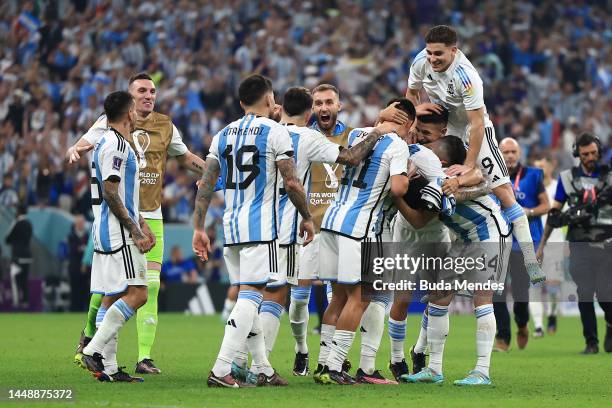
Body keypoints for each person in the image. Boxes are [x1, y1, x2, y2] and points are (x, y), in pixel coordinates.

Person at [68, 72, 206, 374]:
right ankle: (91, 342)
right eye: (142, 91)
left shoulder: (165, 125)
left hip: (149, 215)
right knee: (117, 289)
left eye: (153, 91)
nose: (149, 96)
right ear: (130, 100)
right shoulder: (111, 127)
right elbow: (86, 146)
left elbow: (185, 157)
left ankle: (141, 357)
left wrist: (209, 173)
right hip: (122, 219)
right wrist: (74, 148)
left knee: (149, 286)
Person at [256, 87, 396, 380]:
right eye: (318, 102)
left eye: (329, 102)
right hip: (306, 229)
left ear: (339, 105)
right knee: (297, 301)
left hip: (338, 229)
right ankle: (302, 347)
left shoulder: (355, 136)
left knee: (341, 295)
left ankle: (330, 361)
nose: (324, 107)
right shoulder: (298, 137)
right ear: (311, 109)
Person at [192, 74, 314, 388]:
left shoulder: (222, 134)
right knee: (251, 297)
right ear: (270, 100)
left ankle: (263, 367)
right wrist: (307, 216)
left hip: (230, 228)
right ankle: (221, 370)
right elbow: (291, 182)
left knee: (250, 298)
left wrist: (198, 228)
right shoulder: (276, 132)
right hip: (261, 229)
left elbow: (205, 185)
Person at [402, 25, 545, 285]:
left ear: (454, 51)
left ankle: (530, 260)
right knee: (439, 186)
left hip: (472, 129)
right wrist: (416, 116)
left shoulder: (467, 77)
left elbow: (477, 123)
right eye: (430, 53)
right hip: (445, 131)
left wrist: (469, 165)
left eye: (439, 55)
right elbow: (411, 94)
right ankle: (447, 273)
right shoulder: (421, 61)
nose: (433, 59)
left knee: (505, 194)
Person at [314, 100, 411, 385]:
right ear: (408, 123)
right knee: (360, 298)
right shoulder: (398, 146)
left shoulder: (359, 135)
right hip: (360, 228)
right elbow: (397, 188)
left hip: (331, 221)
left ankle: (322, 365)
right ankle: (334, 368)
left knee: (339, 297)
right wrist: (409, 172)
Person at [399, 135, 510, 386]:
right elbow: (419, 221)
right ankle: (434, 369)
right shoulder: (432, 180)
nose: (424, 153)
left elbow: (480, 176)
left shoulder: (450, 176)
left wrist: (457, 185)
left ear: (441, 160)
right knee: (438, 296)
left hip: (489, 234)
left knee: (482, 298)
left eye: (431, 150)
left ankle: (482, 370)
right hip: (463, 240)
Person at [78, 91, 155, 383]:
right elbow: (111, 192)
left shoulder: (110, 143)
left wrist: (143, 222)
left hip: (111, 229)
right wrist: (134, 229)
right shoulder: (116, 144)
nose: (138, 113)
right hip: (119, 233)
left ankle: (107, 368)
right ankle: (94, 349)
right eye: (134, 109)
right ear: (127, 113)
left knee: (112, 298)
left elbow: (123, 193)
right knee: (138, 293)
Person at [537, 133, 612, 354]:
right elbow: (554, 213)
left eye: (593, 153)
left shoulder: (610, 177)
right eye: (585, 153)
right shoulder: (567, 178)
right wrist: (542, 245)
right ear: (577, 153)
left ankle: (610, 323)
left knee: (606, 294)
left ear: (598, 151)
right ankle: (591, 343)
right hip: (580, 245)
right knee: (585, 292)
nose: (590, 157)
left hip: (608, 244)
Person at [493, 138, 550, 351]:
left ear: (519, 153)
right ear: (498, 153)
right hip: (499, 240)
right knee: (496, 290)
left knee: (520, 292)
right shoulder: (490, 174)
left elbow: (547, 204)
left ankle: (523, 323)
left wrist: (529, 212)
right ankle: (503, 336)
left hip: (524, 242)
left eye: (512, 151)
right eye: (505, 151)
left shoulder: (533, 175)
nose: (509, 155)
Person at [531, 156, 565, 335]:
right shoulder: (531, 189)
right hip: (534, 244)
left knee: (553, 286)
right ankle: (538, 326)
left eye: (542, 166)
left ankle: (552, 313)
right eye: (536, 167)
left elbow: (565, 217)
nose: (540, 170)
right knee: (534, 286)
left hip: (555, 243)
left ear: (551, 167)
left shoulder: (558, 188)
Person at [5, 204, 32, 309]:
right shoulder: (29, 224)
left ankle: (16, 304)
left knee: (15, 279)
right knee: (24, 280)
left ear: (18, 212)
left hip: (17, 256)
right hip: (28, 256)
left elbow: (7, 238)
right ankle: (25, 302)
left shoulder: (16, 223)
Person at [68, 215, 90, 311]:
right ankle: (75, 308)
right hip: (74, 267)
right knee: (75, 288)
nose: (81, 225)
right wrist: (82, 249)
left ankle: (86, 308)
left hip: (86, 267)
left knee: (85, 288)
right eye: (79, 222)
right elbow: (73, 250)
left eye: (82, 222)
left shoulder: (88, 235)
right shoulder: (71, 236)